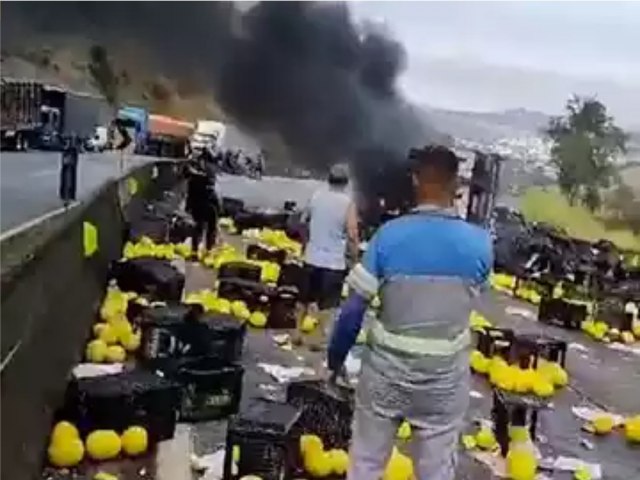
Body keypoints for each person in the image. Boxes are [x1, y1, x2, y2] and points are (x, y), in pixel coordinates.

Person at [327, 145, 493, 480]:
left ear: (416, 180)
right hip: (444, 381)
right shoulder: (480, 244)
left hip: (386, 375)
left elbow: (352, 313)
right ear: (456, 185)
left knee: (366, 464)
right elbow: (473, 296)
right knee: (435, 471)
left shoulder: (389, 237)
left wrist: (335, 361)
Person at [300, 163, 360, 315]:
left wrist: (307, 244)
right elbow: (352, 236)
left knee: (305, 310)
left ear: (329, 179)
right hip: (333, 266)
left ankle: (296, 338)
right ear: (346, 183)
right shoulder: (347, 203)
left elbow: (303, 222)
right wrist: (354, 260)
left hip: (310, 261)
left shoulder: (316, 196)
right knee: (326, 313)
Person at [185, 149, 220, 257]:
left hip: (203, 203)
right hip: (202, 203)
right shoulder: (201, 174)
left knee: (203, 227)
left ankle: (202, 250)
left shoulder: (201, 174)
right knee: (202, 227)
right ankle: (201, 250)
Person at [59, 133, 80, 207]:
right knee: (69, 170)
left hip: (70, 147)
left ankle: (67, 195)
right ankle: (68, 195)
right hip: (70, 147)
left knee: (68, 170)